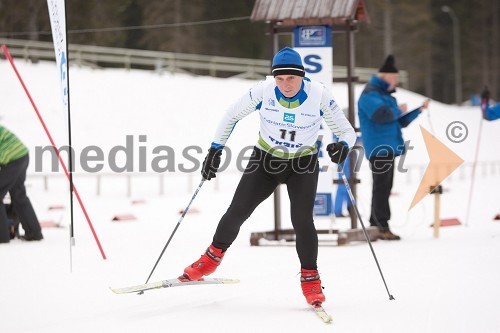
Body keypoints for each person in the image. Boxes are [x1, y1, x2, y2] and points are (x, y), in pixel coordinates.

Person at [181, 47, 356, 306]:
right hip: (265, 161)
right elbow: (231, 115)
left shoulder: (318, 95)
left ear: (302, 77)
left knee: (302, 220)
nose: (285, 84)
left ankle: (310, 278)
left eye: (291, 79)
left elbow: (346, 131)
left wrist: (343, 146)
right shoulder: (262, 91)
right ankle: (210, 258)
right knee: (237, 211)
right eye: (280, 78)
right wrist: (215, 149)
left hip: (302, 164)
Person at [358, 55, 429, 241]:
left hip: (387, 147)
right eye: (395, 78)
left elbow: (400, 121)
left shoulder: (383, 95)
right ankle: (381, 226)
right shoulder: (370, 94)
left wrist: (417, 110)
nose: (396, 81)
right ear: (386, 77)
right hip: (379, 147)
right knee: (382, 187)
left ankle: (376, 223)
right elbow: (382, 116)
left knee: (384, 187)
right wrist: (399, 109)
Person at [0, 125, 43, 243]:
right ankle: (34, 233)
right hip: (22, 156)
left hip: (12, 159)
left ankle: (2, 237)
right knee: (18, 194)